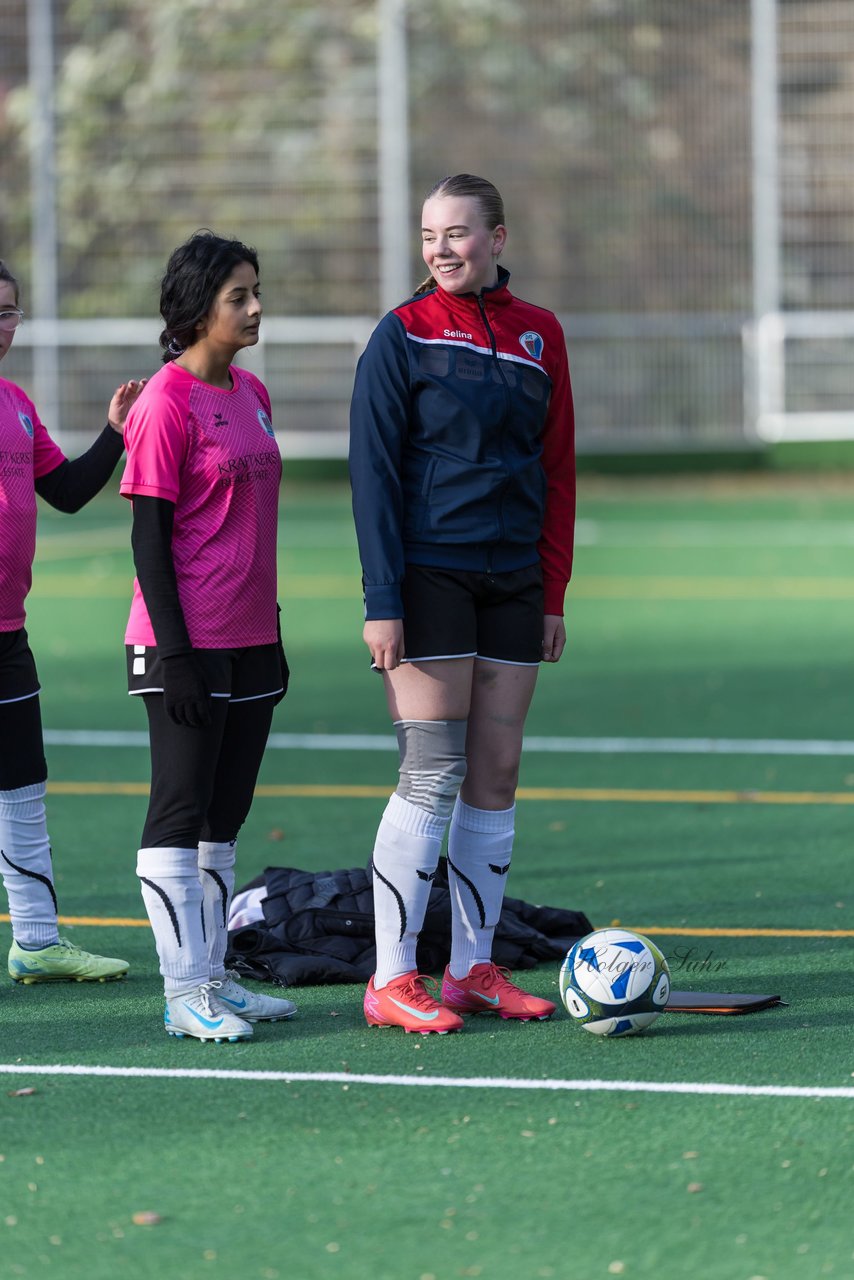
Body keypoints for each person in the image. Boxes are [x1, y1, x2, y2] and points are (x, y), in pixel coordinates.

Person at [349, 174, 576, 1033]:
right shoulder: (400, 335)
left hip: (515, 579)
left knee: (497, 776)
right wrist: (383, 599)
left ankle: (472, 968)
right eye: (430, 235)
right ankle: (390, 978)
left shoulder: (540, 335)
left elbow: (558, 471)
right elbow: (372, 476)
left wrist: (551, 590)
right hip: (430, 576)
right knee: (431, 772)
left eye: (458, 233)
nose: (443, 249)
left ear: (499, 239)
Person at [121, 230, 295, 1043]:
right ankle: (182, 990)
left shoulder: (253, 393)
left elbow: (252, 526)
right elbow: (150, 539)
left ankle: (216, 975)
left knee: (225, 817)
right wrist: (178, 653)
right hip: (182, 642)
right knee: (179, 812)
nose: (256, 307)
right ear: (197, 309)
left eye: (257, 291)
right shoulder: (164, 401)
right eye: (239, 296)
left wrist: (275, 630)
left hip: (251, 637)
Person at [0, 258, 138, 985]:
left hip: (7, 636)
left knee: (23, 786)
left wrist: (114, 433)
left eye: (8, 311)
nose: (2, 325)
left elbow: (68, 490)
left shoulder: (16, 402)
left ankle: (38, 939)